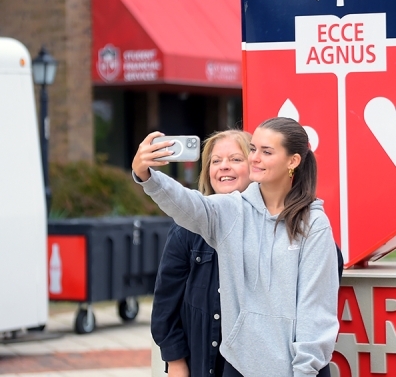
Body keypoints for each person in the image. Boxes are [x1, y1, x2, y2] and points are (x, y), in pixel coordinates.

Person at [133, 117, 339, 377]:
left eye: (266, 152)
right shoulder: (231, 210)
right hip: (239, 366)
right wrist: (147, 176)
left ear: (293, 161)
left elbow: (315, 312)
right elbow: (187, 202)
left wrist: (304, 370)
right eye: (253, 149)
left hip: (299, 370)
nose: (255, 158)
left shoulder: (314, 225)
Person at [151, 130, 252, 377]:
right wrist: (175, 360)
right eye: (215, 161)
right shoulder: (186, 229)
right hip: (202, 365)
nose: (223, 167)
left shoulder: (269, 226)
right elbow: (165, 304)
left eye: (235, 159)